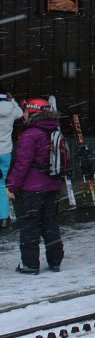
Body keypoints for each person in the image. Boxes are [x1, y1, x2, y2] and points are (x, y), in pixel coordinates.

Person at [6, 98, 64, 274]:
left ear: (33, 113)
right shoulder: (55, 130)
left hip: (33, 188)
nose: (23, 115)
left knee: (30, 225)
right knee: (50, 224)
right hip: (53, 185)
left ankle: (30, 264)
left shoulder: (30, 135)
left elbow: (22, 164)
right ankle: (55, 261)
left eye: (25, 112)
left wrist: (12, 186)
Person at [0, 85, 24, 230]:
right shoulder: (12, 110)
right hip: (5, 152)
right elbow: (21, 113)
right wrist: (13, 100)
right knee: (2, 185)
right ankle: (3, 218)